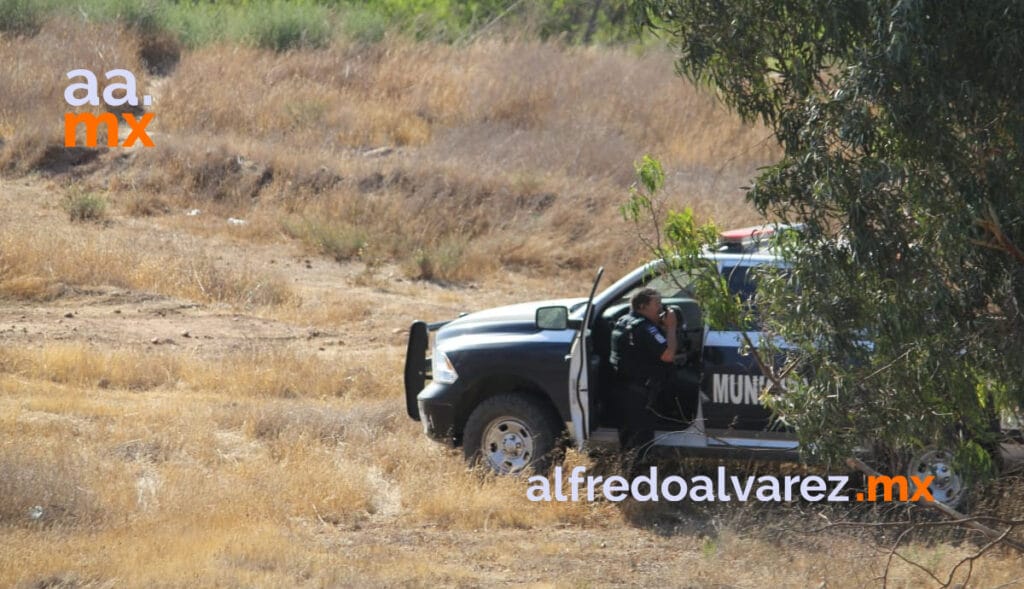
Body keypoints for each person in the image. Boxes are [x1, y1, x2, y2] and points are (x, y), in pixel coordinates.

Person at [608, 287, 680, 454]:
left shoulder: (624, 321)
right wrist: (671, 327)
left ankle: (628, 474)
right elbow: (668, 355)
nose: (661, 308)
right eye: (657, 304)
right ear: (642, 306)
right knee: (641, 443)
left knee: (629, 442)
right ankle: (638, 477)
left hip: (625, 390)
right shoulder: (645, 328)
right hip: (640, 394)